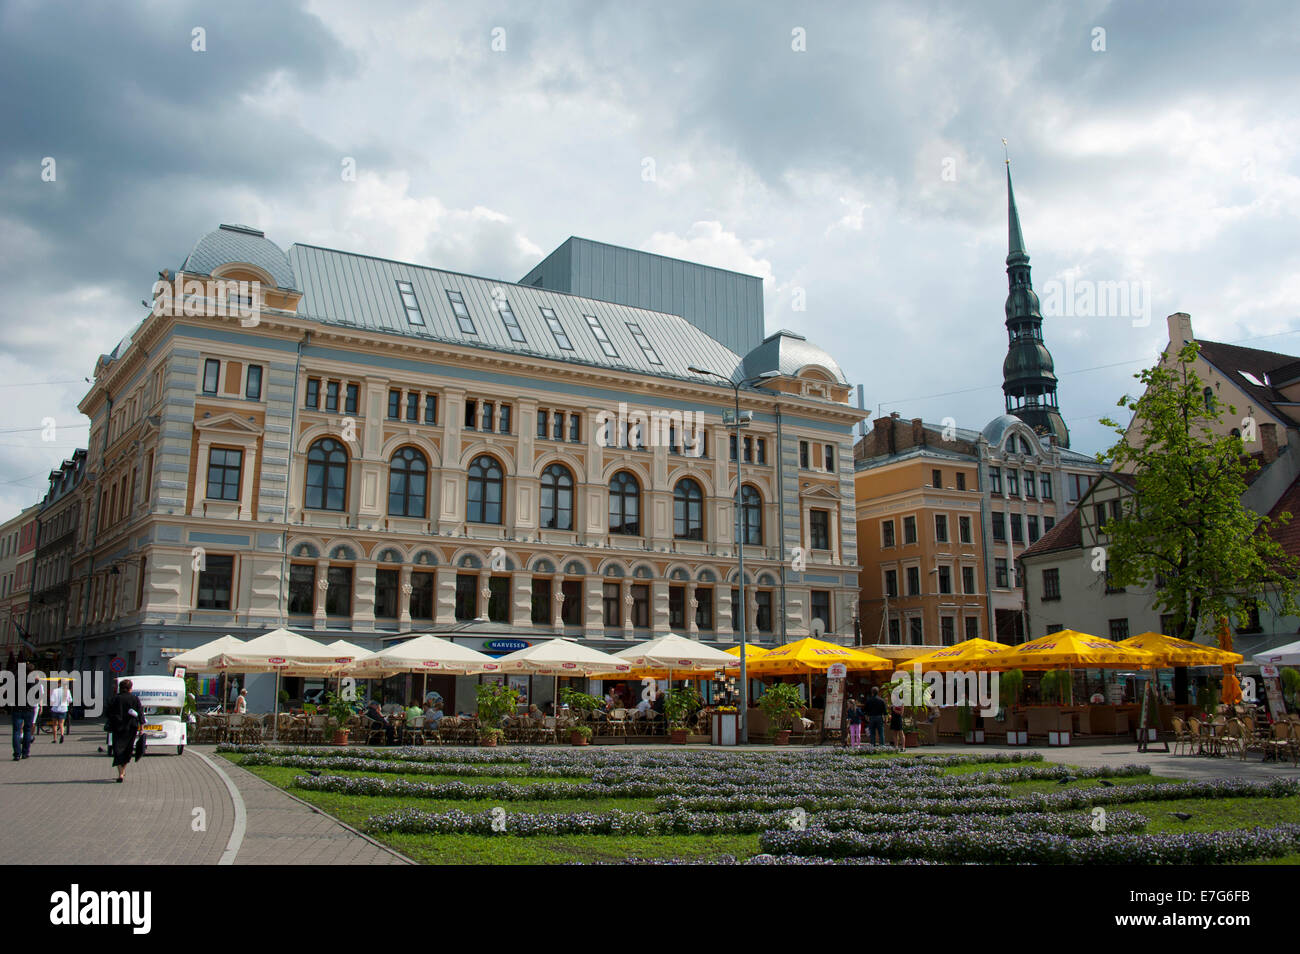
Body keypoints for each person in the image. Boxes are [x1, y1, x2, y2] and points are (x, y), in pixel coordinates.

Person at [105, 679, 144, 782]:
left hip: (117, 727)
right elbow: (140, 713)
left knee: (117, 749)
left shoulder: (115, 698)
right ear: (131, 688)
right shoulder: (135, 699)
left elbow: (107, 712)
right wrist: (142, 727)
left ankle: (121, 773)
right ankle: (123, 771)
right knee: (128, 749)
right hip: (131, 727)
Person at [11, 682, 38, 762]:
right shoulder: (33, 682)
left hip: (17, 709)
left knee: (16, 731)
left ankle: (17, 754)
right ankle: (25, 753)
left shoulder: (15, 681)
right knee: (27, 730)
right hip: (29, 709)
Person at [49, 678, 72, 743]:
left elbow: (52, 700)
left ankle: (55, 739)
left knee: (54, 724)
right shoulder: (67, 691)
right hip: (63, 709)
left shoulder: (55, 690)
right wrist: (67, 703)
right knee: (61, 723)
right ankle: (62, 735)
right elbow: (70, 700)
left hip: (55, 709)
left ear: (58, 684)